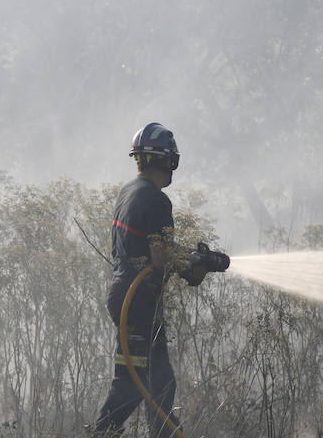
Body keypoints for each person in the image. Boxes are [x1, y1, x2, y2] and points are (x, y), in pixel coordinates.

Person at [91, 122, 195, 438]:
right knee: (149, 383)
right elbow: (159, 256)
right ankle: (104, 433)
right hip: (139, 302)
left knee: (140, 381)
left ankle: (110, 433)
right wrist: (192, 265)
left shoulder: (128, 191)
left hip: (122, 295)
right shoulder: (157, 200)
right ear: (166, 161)